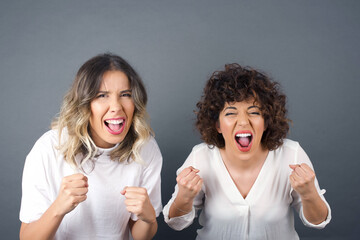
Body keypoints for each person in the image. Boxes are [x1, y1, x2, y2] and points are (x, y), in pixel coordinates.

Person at [163, 64, 331, 239]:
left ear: (266, 122)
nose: (243, 121)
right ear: (218, 125)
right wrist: (184, 196)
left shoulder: (292, 154)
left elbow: (318, 221)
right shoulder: (201, 157)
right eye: (230, 113)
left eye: (253, 112)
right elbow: (176, 223)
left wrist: (309, 193)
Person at [19, 53, 162, 240]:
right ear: (84, 104)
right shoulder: (48, 148)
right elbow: (27, 237)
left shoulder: (145, 147)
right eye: (102, 95)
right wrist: (58, 208)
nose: (116, 106)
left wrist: (148, 219)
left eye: (125, 95)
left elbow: (140, 236)